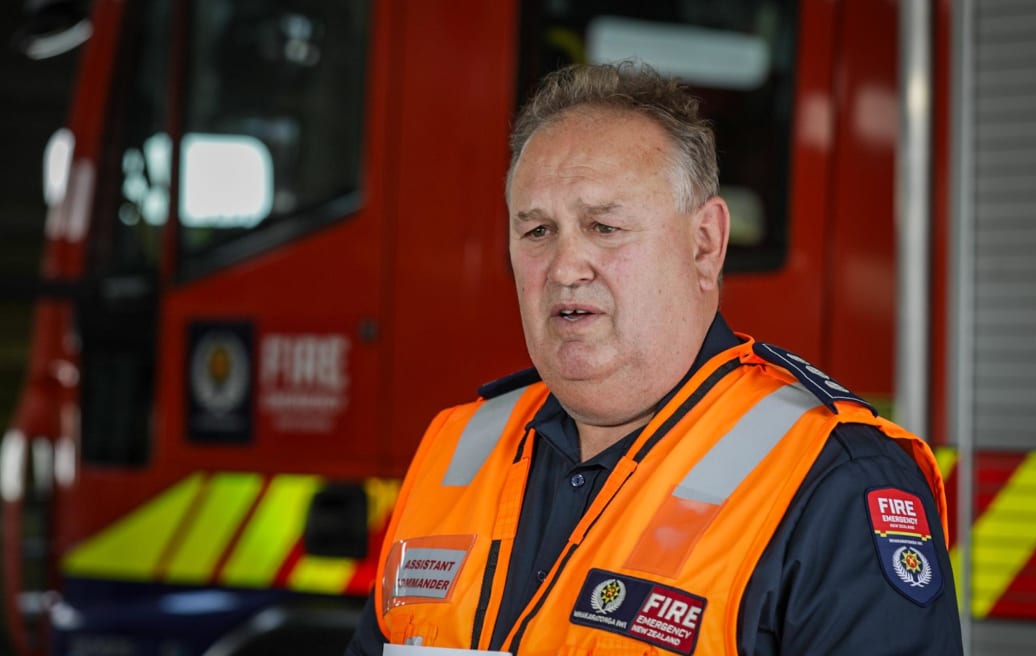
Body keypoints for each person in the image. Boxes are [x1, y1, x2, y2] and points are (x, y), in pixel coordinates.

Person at [347, 61, 962, 655]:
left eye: (604, 227)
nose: (564, 267)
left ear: (705, 245)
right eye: (537, 231)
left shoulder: (835, 480)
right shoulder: (455, 446)